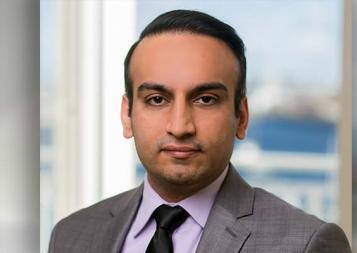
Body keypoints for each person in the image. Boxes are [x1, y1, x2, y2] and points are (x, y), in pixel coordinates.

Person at [48, 10, 351, 253]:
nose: (180, 126)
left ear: (242, 117)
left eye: (205, 99)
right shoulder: (72, 235)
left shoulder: (307, 244)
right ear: (127, 116)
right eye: (157, 100)